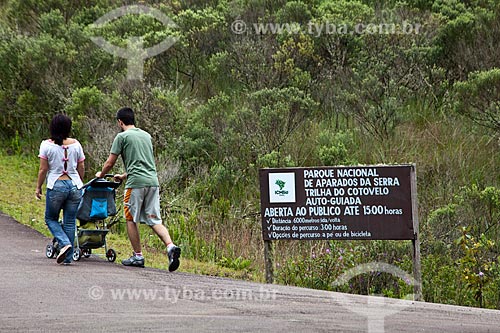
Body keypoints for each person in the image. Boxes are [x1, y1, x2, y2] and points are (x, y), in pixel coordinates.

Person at [96, 107, 181, 271]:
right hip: (153, 182)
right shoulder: (146, 136)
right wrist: (123, 175)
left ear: (120, 122)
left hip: (136, 184)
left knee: (130, 218)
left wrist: (101, 175)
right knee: (154, 219)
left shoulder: (122, 137)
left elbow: (109, 162)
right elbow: (143, 163)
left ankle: (138, 255)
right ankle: (170, 247)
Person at [36, 113, 85, 265]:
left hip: (56, 185)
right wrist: (80, 183)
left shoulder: (46, 145)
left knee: (50, 218)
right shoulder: (76, 144)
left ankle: (64, 243)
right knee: (70, 221)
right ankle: (68, 258)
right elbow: (81, 166)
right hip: (74, 185)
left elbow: (43, 170)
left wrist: (38, 187)